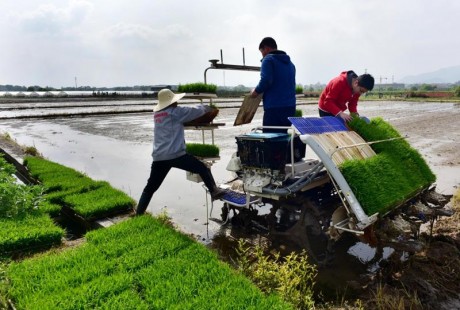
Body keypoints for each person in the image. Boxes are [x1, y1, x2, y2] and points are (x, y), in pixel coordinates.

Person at [135, 89, 225, 215]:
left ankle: (138, 213)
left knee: (150, 187)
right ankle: (214, 191)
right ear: (171, 103)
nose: (177, 103)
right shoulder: (175, 112)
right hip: (175, 155)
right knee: (202, 167)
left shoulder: (157, 115)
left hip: (159, 157)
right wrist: (207, 108)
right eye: (175, 101)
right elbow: (194, 111)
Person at [250, 37, 296, 133]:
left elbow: (266, 80)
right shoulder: (290, 64)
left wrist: (256, 91)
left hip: (274, 108)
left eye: (261, 51)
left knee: (270, 140)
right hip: (290, 108)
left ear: (266, 48)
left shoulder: (268, 60)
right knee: (283, 138)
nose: (262, 55)